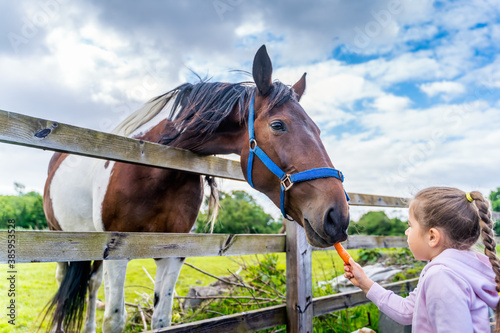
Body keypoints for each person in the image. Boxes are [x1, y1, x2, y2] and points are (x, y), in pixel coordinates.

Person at [343, 187, 500, 332]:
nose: (406, 231)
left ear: (432, 236)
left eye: (410, 225)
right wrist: (364, 282)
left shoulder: (442, 277)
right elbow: (407, 311)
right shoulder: (460, 268)